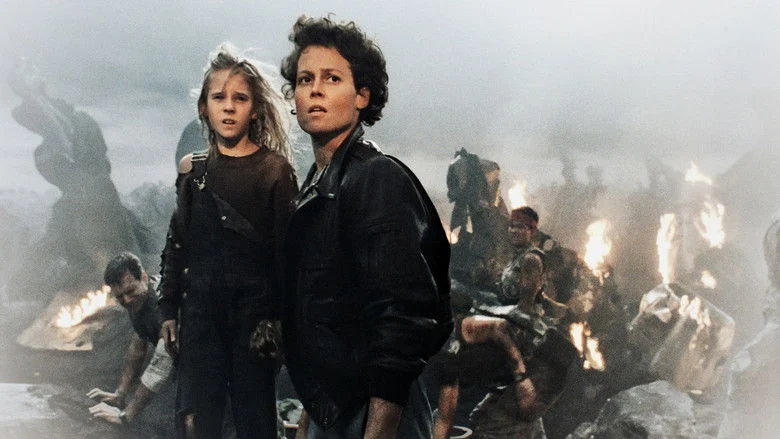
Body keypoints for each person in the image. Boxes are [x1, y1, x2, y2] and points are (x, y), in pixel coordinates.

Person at [279, 15, 452, 439]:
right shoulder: (316, 188)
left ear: (362, 96)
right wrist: (309, 421)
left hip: (377, 413)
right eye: (304, 79)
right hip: (334, 410)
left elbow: (402, 321)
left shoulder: (376, 179)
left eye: (332, 78)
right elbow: (321, 328)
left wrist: (378, 432)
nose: (315, 89)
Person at [158, 43, 298, 438]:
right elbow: (177, 244)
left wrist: (281, 323)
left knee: (255, 423)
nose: (229, 107)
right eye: (219, 97)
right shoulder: (193, 171)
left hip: (254, 321)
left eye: (240, 98)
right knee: (199, 423)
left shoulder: (274, 172)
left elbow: (288, 258)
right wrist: (167, 309)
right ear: (204, 107)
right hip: (201, 318)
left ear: (254, 108)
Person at [87, 252, 173, 426]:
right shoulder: (139, 301)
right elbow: (138, 346)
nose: (126, 300)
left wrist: (125, 416)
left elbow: (161, 366)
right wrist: (120, 394)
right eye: (119, 296)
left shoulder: (164, 303)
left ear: (144, 278)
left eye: (130, 291)